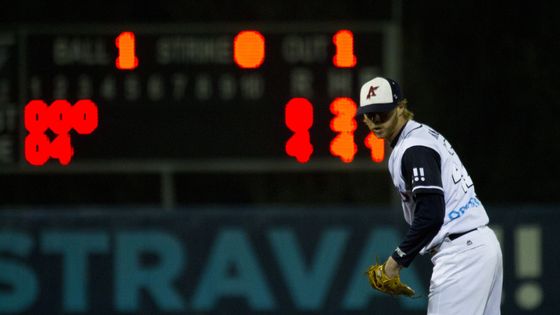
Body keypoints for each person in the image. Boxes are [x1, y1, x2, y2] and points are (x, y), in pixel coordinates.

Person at [358, 77, 503, 315]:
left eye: (382, 113)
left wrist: (395, 261)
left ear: (400, 107)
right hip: (476, 246)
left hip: (461, 254)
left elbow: (431, 215)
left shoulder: (414, 147)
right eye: (369, 114)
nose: (374, 120)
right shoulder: (418, 137)